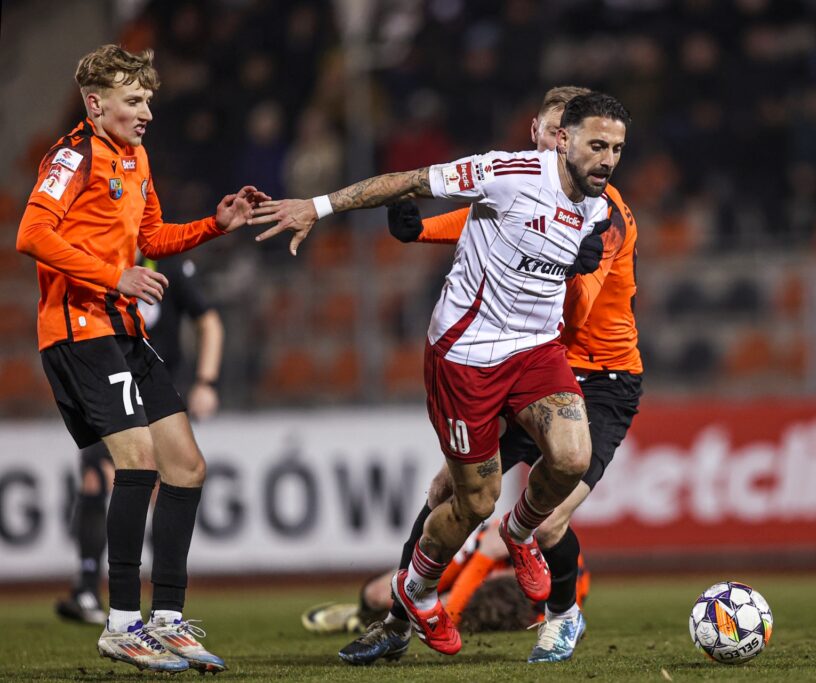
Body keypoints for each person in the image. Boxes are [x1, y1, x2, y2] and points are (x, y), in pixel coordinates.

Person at [250, 91, 630, 660]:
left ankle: (519, 534)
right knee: (472, 501)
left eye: (617, 149)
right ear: (561, 139)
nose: (607, 159)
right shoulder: (506, 174)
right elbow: (407, 182)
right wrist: (318, 207)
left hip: (537, 350)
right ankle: (416, 591)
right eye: (597, 145)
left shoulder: (599, 209)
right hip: (466, 355)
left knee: (572, 457)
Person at [15, 44, 268, 674]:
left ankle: (168, 620)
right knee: (139, 462)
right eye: (134, 100)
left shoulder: (136, 157)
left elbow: (152, 237)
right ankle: (122, 623)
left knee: (187, 466)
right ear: (95, 104)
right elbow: (32, 233)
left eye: (149, 99)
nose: (147, 111)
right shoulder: (72, 156)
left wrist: (215, 224)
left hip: (124, 330)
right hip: (80, 330)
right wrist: (114, 276)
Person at [55, 253, 224, 626]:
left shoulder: (169, 265)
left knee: (163, 483)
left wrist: (206, 382)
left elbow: (209, 321)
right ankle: (92, 591)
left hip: (154, 387)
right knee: (98, 477)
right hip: (106, 382)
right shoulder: (95, 261)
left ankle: (160, 605)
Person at [303, 520, 591, 640]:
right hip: (467, 557)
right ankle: (363, 611)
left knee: (437, 614)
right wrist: (421, 590)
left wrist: (485, 559)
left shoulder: (540, 610)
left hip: (479, 580)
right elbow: (493, 541)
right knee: (380, 594)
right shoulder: (533, 553)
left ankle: (369, 620)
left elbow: (452, 613)